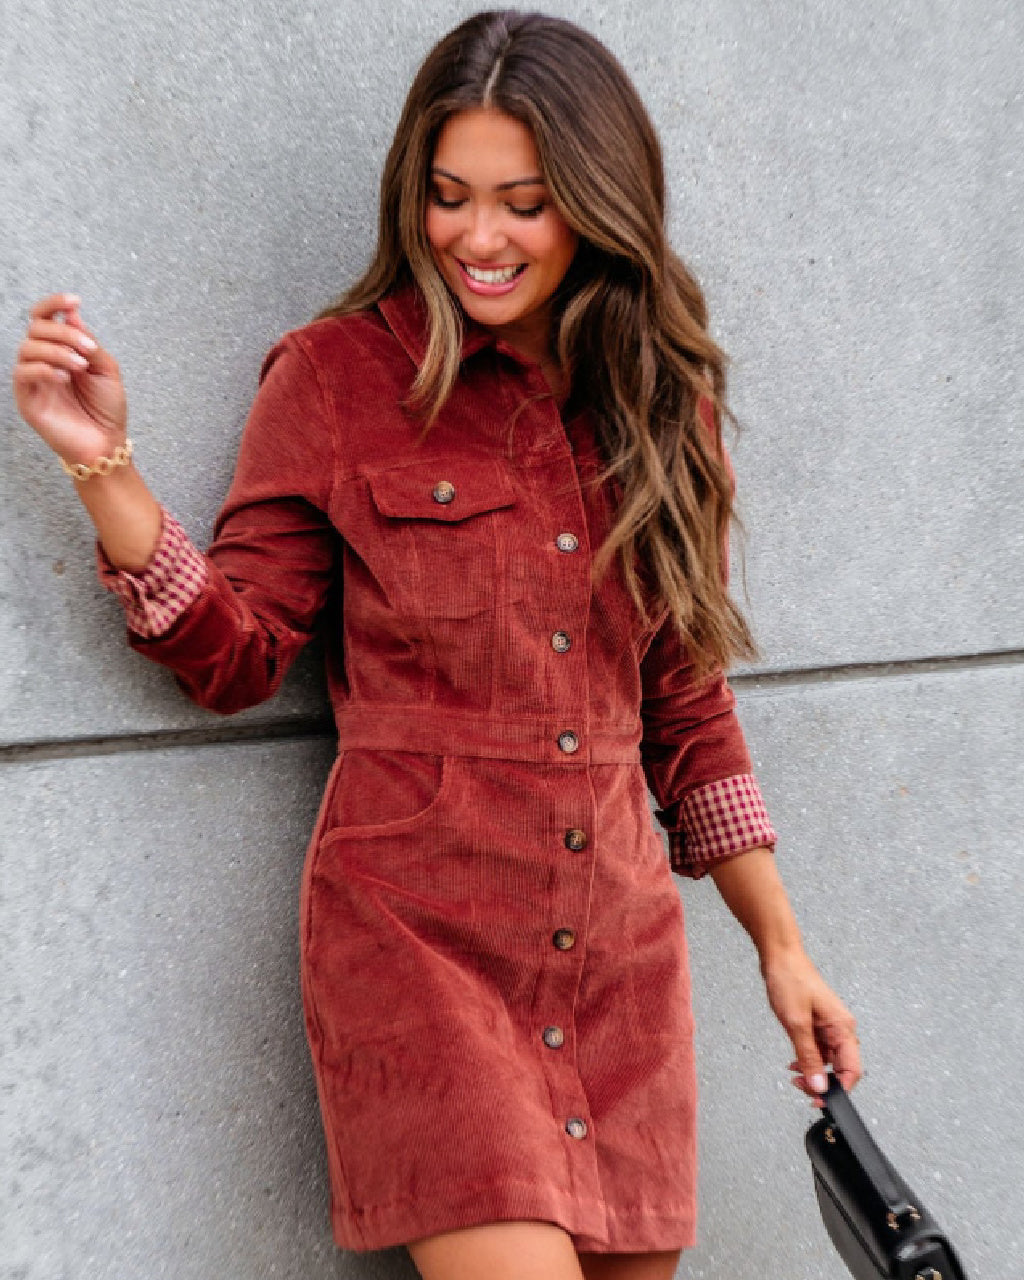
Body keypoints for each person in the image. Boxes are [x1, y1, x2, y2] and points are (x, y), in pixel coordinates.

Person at [13, 10, 861, 1280]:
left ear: (595, 203)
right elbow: (236, 655)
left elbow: (684, 706)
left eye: (523, 203)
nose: (476, 237)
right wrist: (105, 470)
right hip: (419, 951)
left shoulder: (658, 401)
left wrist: (782, 950)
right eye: (449, 196)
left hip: (619, 958)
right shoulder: (337, 377)